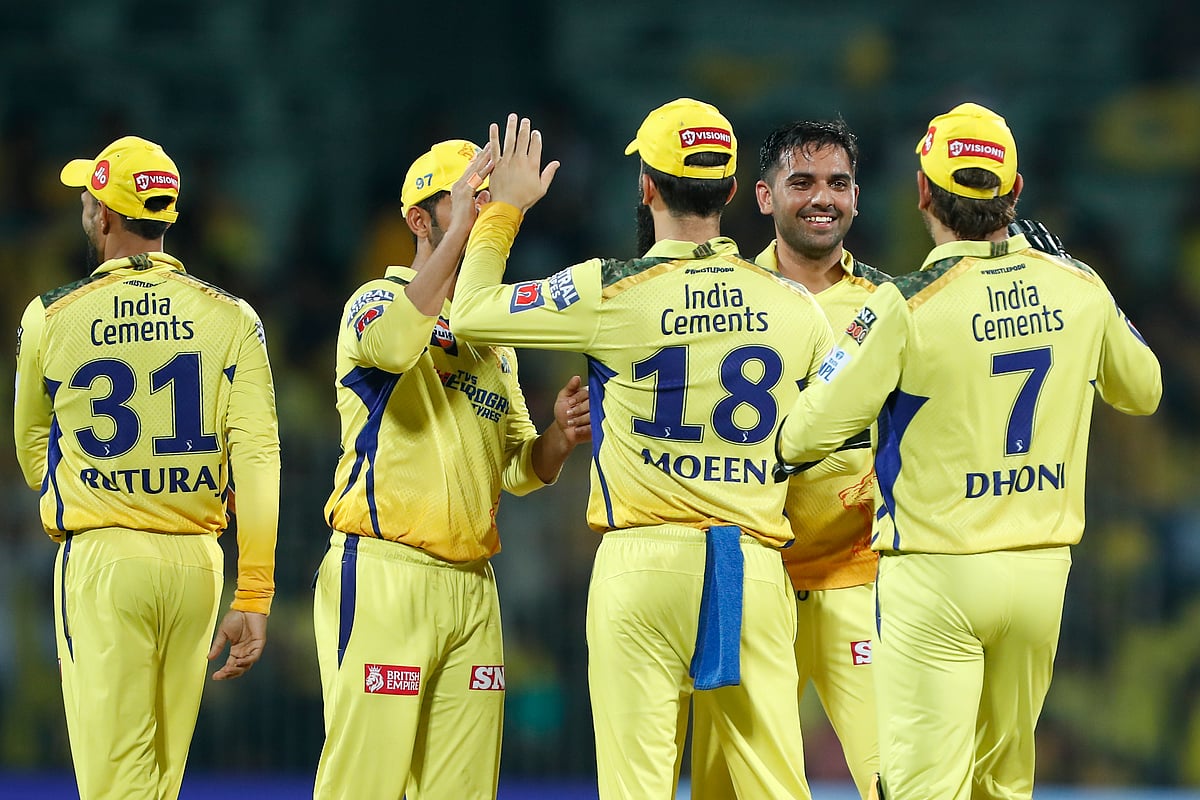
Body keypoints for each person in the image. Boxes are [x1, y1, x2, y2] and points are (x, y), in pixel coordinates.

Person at [774, 102, 1163, 800]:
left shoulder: (903, 305)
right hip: (1041, 572)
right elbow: (1146, 389)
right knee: (1006, 782)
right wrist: (1072, 267)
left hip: (937, 575)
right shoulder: (1079, 287)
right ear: (1014, 194)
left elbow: (804, 435)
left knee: (925, 787)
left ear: (922, 192)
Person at [451, 101, 834, 799]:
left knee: (636, 788)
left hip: (642, 560)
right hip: (747, 565)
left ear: (647, 187)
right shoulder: (794, 307)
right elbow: (835, 424)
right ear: (727, 192)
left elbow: (470, 312)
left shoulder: (607, 289)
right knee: (775, 787)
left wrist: (503, 210)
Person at [312, 138, 590, 800]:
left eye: (488, 199)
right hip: (385, 573)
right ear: (418, 219)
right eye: (467, 197)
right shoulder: (373, 302)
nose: (483, 210)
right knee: (365, 787)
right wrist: (469, 228)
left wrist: (558, 433)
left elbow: (521, 469)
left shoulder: (493, 340)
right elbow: (395, 343)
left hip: (472, 589)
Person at [13, 136, 280, 800]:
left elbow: (29, 445)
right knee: (157, 781)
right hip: (197, 563)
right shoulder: (232, 317)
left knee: (116, 783)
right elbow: (259, 460)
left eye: (88, 195)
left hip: (105, 559)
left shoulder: (52, 315)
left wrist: (91, 488)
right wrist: (253, 594)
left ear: (103, 215)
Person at [691, 118, 887, 800]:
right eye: (801, 182)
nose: (821, 198)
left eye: (837, 183)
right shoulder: (717, 299)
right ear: (765, 197)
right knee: (721, 791)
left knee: (897, 780)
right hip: (744, 582)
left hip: (855, 580)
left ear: (857, 197)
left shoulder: (891, 308)